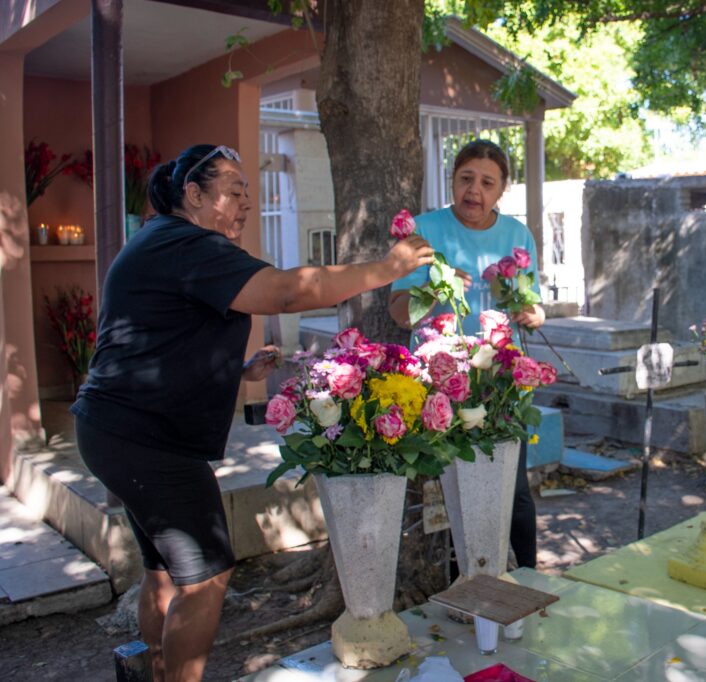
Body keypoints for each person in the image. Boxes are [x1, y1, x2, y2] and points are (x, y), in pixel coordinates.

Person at [72, 143, 434, 682]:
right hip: (147, 441)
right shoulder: (189, 243)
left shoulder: (163, 241)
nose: (246, 202)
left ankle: (150, 672)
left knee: (163, 572)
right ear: (193, 196)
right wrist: (387, 268)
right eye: (234, 191)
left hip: (113, 429)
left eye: (248, 192)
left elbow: (159, 338)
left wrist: (236, 372)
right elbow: (286, 293)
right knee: (207, 577)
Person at [388, 139, 545, 571]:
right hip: (444, 384)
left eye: (487, 182)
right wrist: (434, 290)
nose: (474, 190)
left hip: (501, 385)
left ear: (501, 190)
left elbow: (531, 302)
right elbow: (399, 312)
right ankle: (468, 590)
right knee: (457, 494)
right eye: (465, 179)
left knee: (514, 489)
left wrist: (533, 312)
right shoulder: (423, 230)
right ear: (452, 180)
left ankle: (529, 581)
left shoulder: (517, 235)